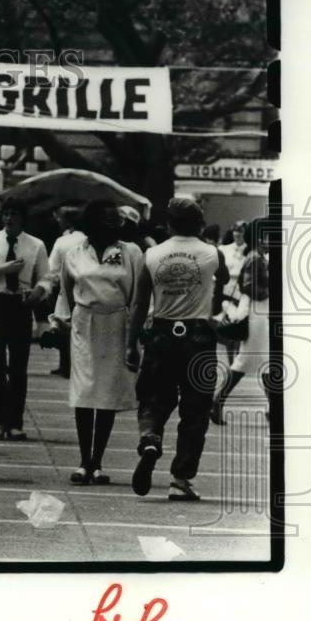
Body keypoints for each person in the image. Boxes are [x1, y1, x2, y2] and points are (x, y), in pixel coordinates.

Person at [125, 197, 229, 502]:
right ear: (198, 223)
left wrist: (131, 343)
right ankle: (180, 479)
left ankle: (150, 438)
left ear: (168, 224)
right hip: (198, 336)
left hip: (160, 333)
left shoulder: (152, 254)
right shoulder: (213, 253)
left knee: (153, 398)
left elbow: (140, 303)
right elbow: (222, 280)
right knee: (195, 410)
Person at [58, 200, 144, 485]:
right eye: (107, 217)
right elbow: (67, 289)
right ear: (93, 221)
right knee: (84, 391)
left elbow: (137, 295)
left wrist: (134, 335)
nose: (114, 223)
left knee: (107, 392)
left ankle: (97, 463)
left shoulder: (130, 251)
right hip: (85, 324)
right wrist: (73, 317)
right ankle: (83, 461)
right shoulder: (74, 253)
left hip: (116, 325)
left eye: (116, 219)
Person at [0, 199, 51, 441]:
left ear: (23, 218)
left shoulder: (36, 245)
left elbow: (46, 277)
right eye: (6, 214)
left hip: (21, 304)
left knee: (19, 366)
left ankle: (16, 421)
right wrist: (3, 269)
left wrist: (39, 292)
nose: (9, 218)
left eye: (14, 214)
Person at [210, 218, 271, 425]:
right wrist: (273, 291)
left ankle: (273, 407)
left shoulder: (257, 257)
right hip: (256, 314)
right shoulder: (255, 258)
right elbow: (249, 287)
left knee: (266, 361)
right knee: (246, 361)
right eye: (266, 236)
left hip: (260, 313)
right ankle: (218, 400)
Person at [44, 205, 84, 378]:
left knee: (62, 326)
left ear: (66, 221)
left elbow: (52, 268)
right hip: (86, 289)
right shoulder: (87, 239)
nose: (57, 222)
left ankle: (65, 365)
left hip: (63, 287)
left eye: (59, 219)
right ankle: (74, 366)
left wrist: (48, 289)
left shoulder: (62, 242)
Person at [218, 220, 248, 364]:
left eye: (241, 232)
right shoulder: (223, 249)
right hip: (226, 293)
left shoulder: (250, 250)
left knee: (238, 326)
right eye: (235, 231)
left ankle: (236, 359)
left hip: (242, 294)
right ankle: (232, 361)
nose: (238, 234)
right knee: (229, 326)